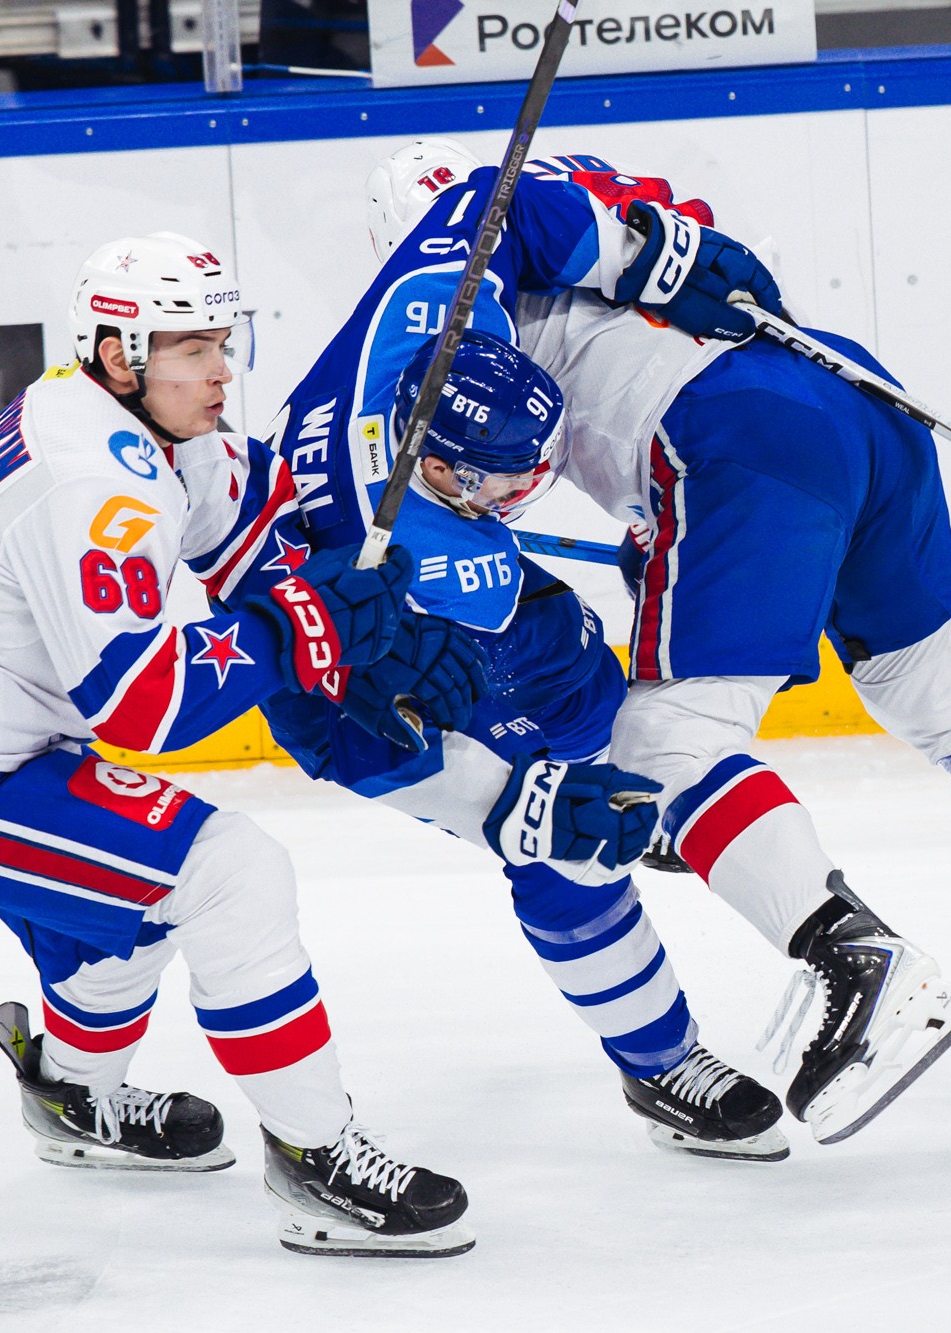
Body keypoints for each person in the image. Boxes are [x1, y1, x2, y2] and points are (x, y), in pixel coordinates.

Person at [368, 142, 951, 1148]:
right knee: (937, 684)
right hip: (847, 390)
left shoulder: (458, 293)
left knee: (662, 745)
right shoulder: (598, 195)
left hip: (730, 436)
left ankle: (857, 961)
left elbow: (493, 458)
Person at [0, 231, 487, 1256]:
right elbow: (142, 710)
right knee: (228, 874)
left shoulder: (151, 425)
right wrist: (299, 628)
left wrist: (354, 630)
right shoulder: (92, 482)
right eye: (192, 349)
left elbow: (252, 528)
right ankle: (317, 1159)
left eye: (223, 341)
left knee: (128, 912)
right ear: (117, 355)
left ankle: (71, 1095)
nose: (222, 371)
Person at [192, 154, 795, 1161]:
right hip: (369, 690)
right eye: (505, 489)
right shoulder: (395, 564)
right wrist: (516, 802)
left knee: (604, 706)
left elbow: (493, 198)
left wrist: (645, 256)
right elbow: (328, 703)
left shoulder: (432, 316)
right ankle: (659, 1060)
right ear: (436, 466)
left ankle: (626, 803)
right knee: (562, 848)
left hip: (488, 615)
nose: (521, 500)